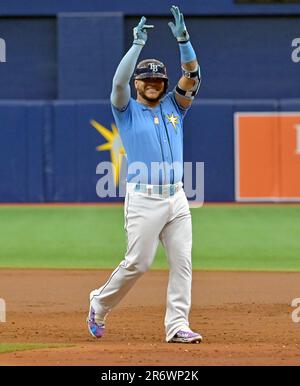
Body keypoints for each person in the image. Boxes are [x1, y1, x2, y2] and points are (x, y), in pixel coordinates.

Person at [87, 5, 202, 343]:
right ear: (138, 83)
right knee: (138, 263)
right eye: (146, 79)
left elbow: (192, 76)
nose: (153, 84)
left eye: (158, 80)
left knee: (182, 262)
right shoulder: (126, 109)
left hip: (177, 197)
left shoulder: (174, 106)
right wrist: (136, 45)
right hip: (144, 198)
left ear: (164, 83)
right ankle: (98, 303)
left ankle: (177, 325)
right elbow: (118, 81)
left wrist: (184, 41)